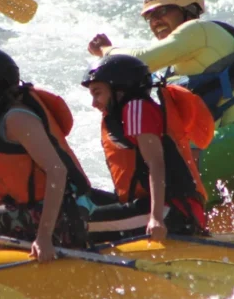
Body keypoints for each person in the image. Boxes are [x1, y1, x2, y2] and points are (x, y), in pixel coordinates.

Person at [87, 0, 234, 206]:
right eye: (149, 16)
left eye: (163, 11)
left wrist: (107, 50)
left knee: (163, 178)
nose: (155, 21)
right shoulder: (179, 66)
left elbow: (140, 61)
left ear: (188, 9)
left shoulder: (199, 31)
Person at [0, 47, 91, 262]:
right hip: (27, 210)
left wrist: (44, 237)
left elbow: (57, 172)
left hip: (63, 217)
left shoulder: (16, 119)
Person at [82, 54, 210, 243]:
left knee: (74, 224)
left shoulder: (137, 108)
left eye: (98, 92)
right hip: (151, 206)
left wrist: (156, 218)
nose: (94, 103)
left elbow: (156, 164)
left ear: (120, 89)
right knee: (81, 198)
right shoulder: (125, 112)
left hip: (172, 212)